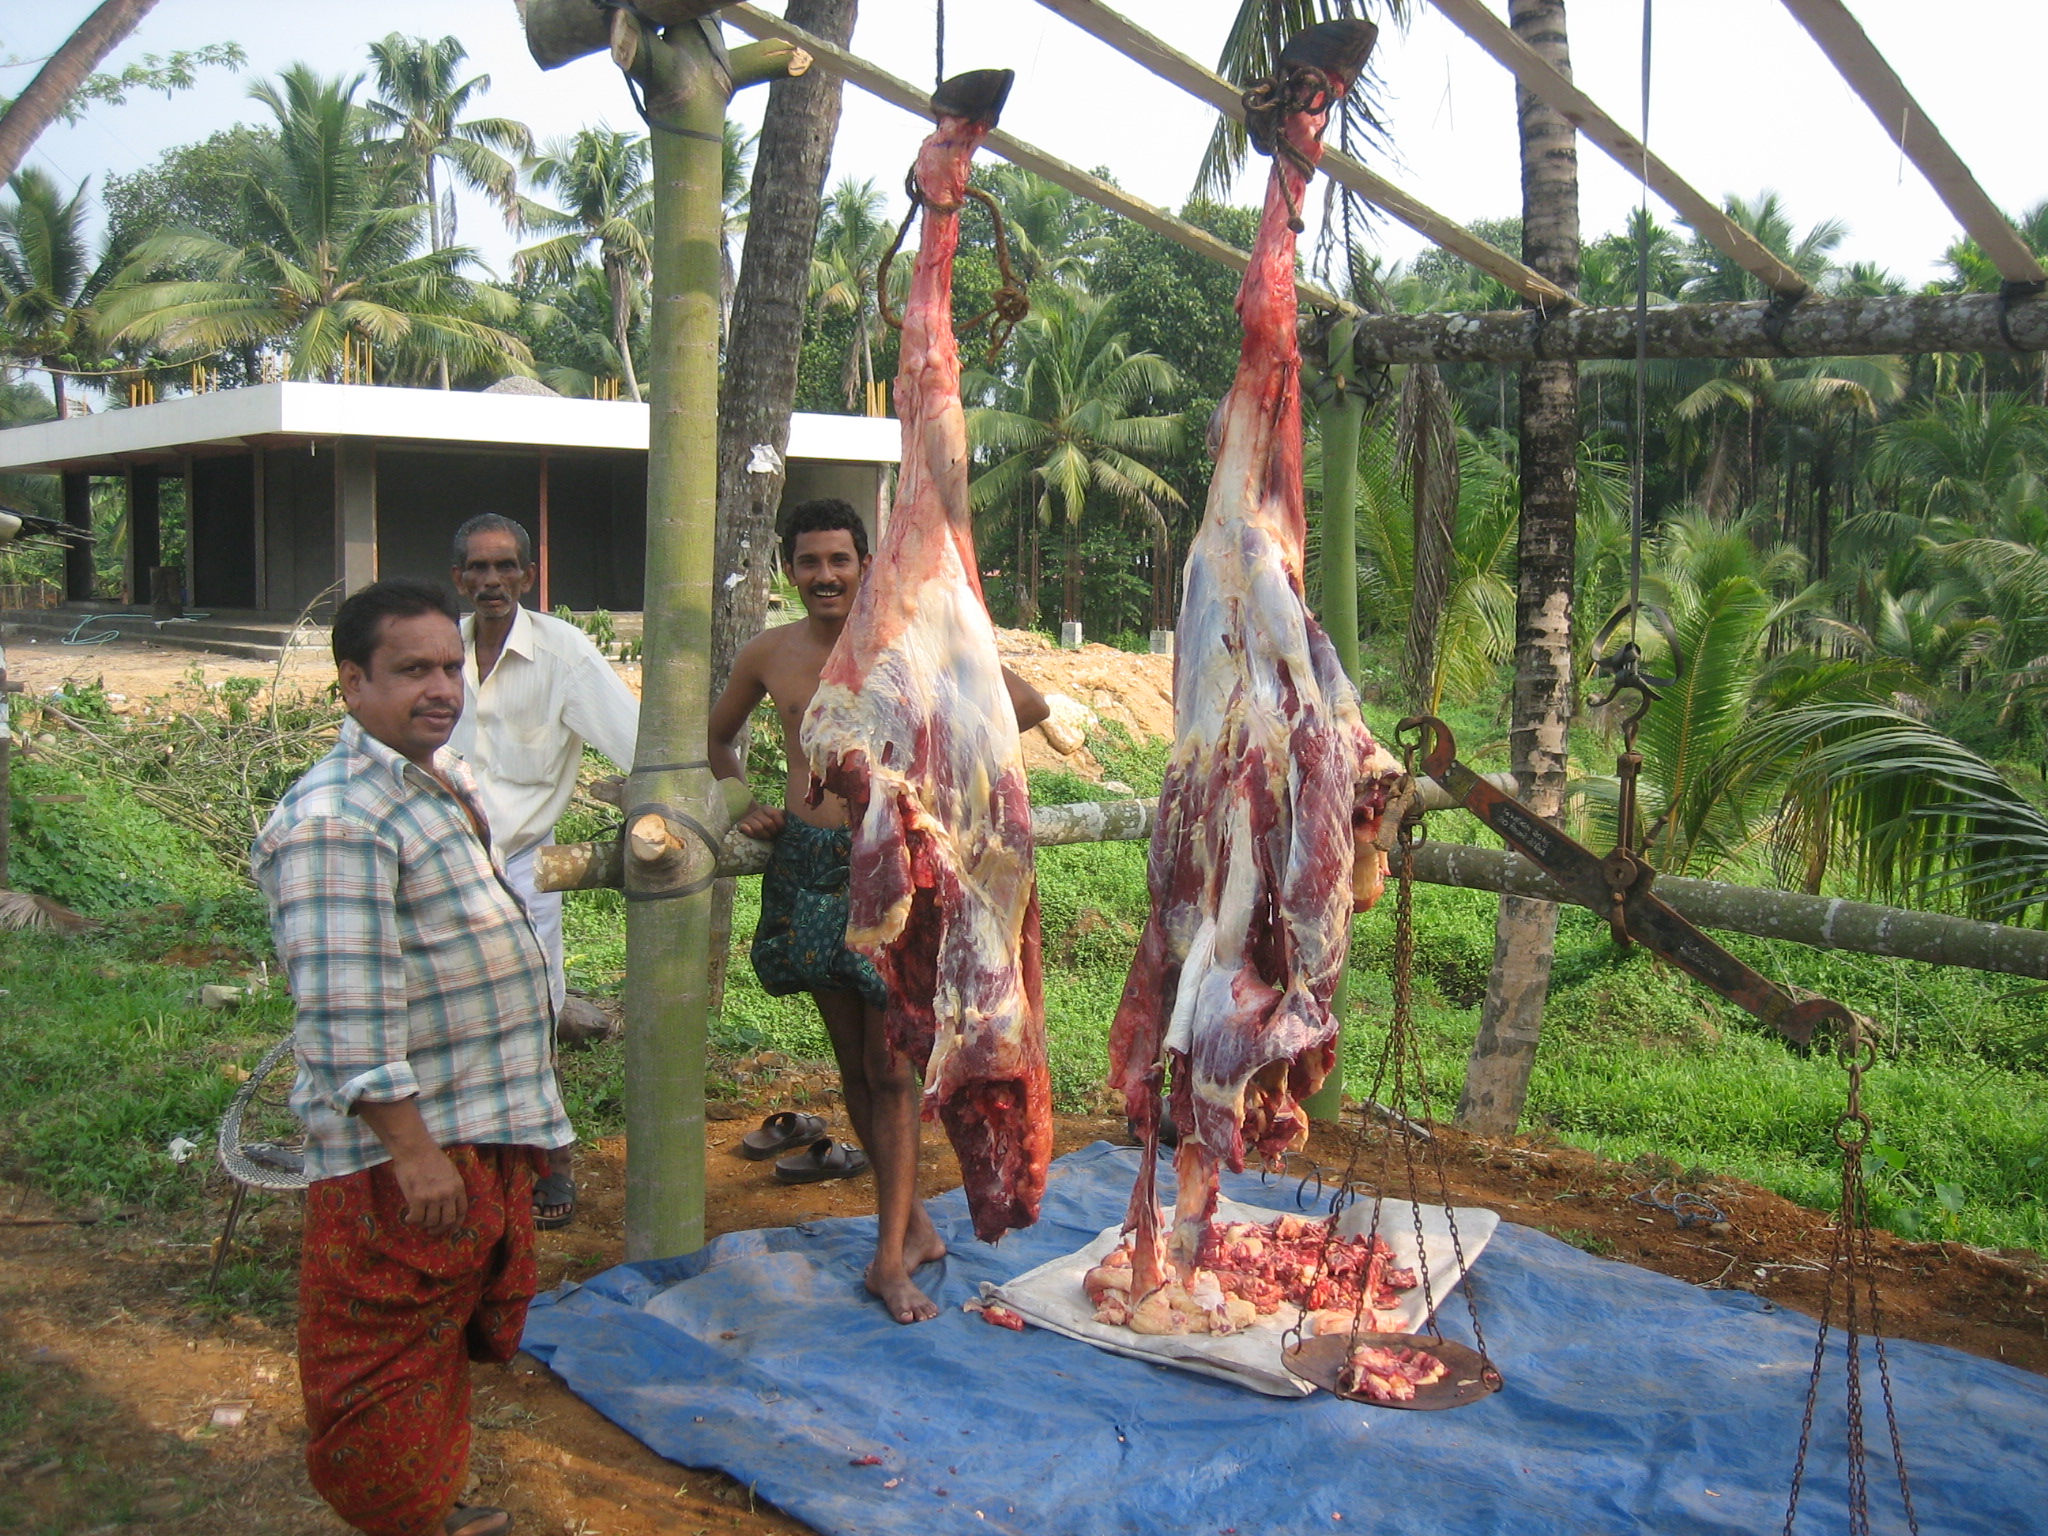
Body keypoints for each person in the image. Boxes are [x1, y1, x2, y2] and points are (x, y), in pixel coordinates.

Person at [253, 578, 574, 1536]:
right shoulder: (335, 820)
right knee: (384, 1360)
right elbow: (344, 1011)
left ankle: (429, 1508)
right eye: (411, 670)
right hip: (406, 1156)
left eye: (449, 667)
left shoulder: (440, 776)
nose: (441, 687)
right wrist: (413, 1149)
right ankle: (404, 1517)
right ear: (352, 683)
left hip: (477, 1126)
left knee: (437, 1340)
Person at [707, 498, 1049, 1325]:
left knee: (894, 1068)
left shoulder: (911, 651)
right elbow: (717, 739)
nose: (825, 576)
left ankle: (889, 1259)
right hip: (807, 870)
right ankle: (917, 1229)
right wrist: (744, 800)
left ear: (867, 566)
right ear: (789, 567)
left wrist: (947, 794)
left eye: (840, 561)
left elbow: (1025, 707)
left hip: (891, 875)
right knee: (858, 1068)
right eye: (809, 561)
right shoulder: (770, 655)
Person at [446, 513, 639, 1231]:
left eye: (505, 568)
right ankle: (463, 1158)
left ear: (528, 576)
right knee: (446, 1012)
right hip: (440, 863)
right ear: (458, 578)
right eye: (477, 568)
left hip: (526, 865)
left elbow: (633, 741)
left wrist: (704, 802)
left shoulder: (563, 654)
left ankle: (551, 1160)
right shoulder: (442, 651)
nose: (491, 581)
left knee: (533, 1012)